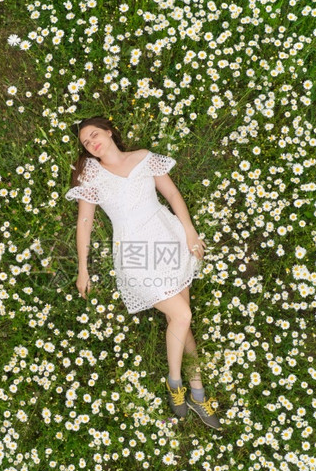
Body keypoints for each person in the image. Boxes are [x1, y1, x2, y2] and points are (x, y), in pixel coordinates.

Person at [64, 116, 221, 430]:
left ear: (109, 132)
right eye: (86, 142)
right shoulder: (91, 175)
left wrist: (190, 232)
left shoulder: (144, 158)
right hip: (136, 253)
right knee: (183, 316)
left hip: (169, 239)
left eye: (94, 134)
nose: (92, 142)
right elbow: (84, 223)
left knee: (181, 318)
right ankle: (175, 385)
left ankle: (197, 391)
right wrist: (83, 269)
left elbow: (173, 195)